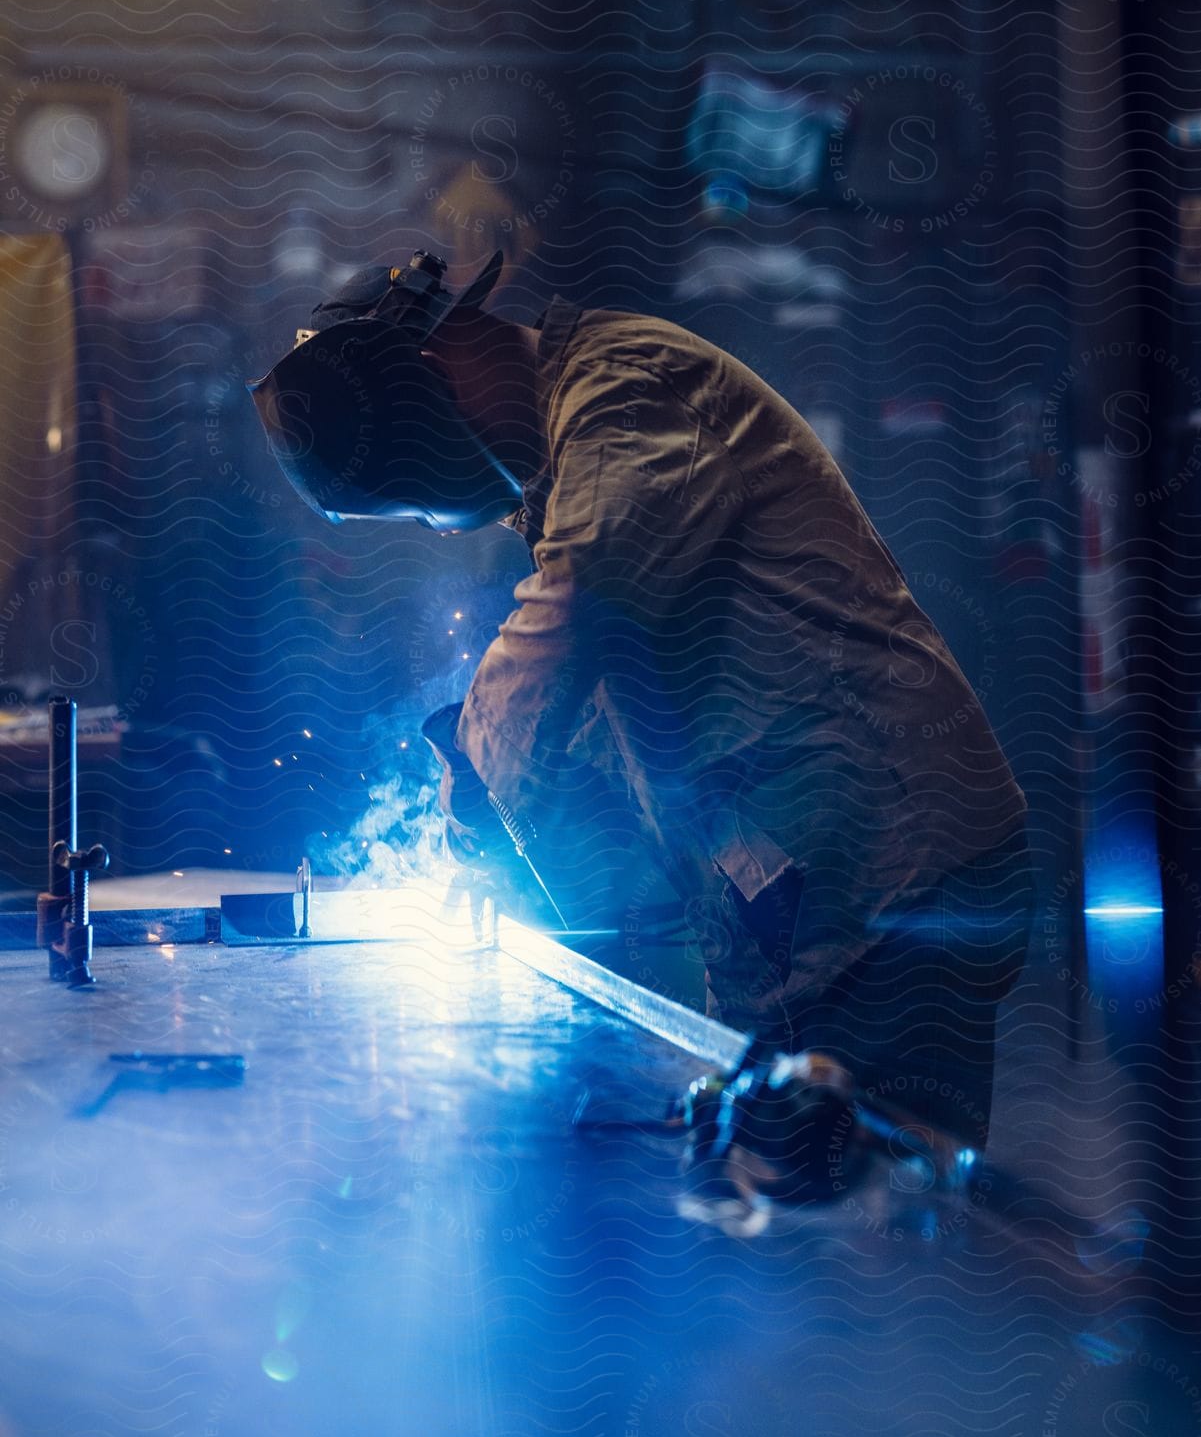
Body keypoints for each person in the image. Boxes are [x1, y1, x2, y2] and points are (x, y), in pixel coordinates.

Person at [250, 249, 1033, 1146]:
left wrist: (471, 806)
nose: (435, 525)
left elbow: (582, 604)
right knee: (775, 1189)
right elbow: (601, 696)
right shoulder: (571, 460)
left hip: (896, 873)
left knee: (858, 1223)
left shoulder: (628, 397)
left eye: (427, 507)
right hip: (808, 879)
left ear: (436, 376)